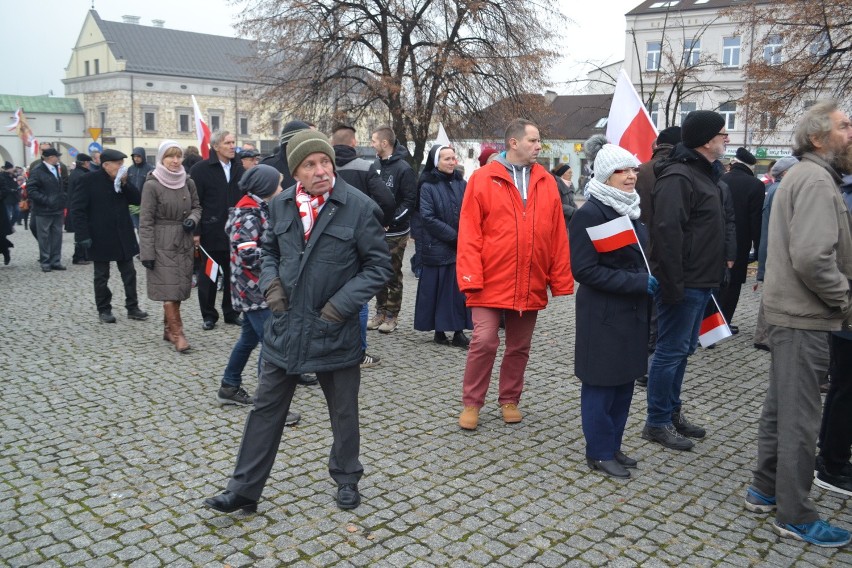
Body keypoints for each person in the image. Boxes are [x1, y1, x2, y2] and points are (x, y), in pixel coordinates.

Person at [203, 130, 392, 514]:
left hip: (332, 328)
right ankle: (243, 490)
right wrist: (271, 286)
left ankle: (347, 478)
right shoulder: (282, 205)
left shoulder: (359, 206)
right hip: (285, 327)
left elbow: (378, 268)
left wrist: (339, 307)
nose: (320, 170)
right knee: (265, 410)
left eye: (325, 162)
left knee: (343, 412)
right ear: (295, 172)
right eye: (310, 165)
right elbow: (269, 249)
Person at [746, 100, 852, 548]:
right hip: (805, 317)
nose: (851, 133)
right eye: (845, 126)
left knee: (780, 406)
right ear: (817, 137)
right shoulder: (814, 181)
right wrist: (844, 298)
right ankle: (795, 514)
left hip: (793, 313)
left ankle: (764, 488)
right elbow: (812, 257)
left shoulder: (808, 177)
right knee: (800, 419)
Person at [456, 119, 574, 430]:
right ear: (513, 142)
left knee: (519, 346)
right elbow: (469, 232)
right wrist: (470, 277)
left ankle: (509, 398)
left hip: (530, 279)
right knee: (484, 341)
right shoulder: (482, 179)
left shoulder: (547, 182)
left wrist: (559, 279)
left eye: (539, 141)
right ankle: (472, 402)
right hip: (489, 279)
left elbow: (557, 234)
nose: (539, 146)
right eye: (534, 140)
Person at [644, 110, 728, 451]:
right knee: (669, 351)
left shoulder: (703, 174)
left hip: (701, 281)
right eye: (723, 134)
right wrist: (673, 285)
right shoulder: (679, 176)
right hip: (684, 283)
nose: (727, 138)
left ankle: (671, 412)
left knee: (683, 350)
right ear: (707, 140)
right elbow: (667, 234)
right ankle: (657, 421)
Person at [569, 143, 653, 479]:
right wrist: (638, 283)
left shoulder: (629, 210)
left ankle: (614, 445)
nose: (631, 175)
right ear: (605, 175)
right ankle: (599, 452)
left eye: (633, 169)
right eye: (622, 170)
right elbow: (585, 271)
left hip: (631, 312)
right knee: (601, 385)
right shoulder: (591, 213)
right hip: (603, 315)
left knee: (624, 384)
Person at [216, 165, 302, 428]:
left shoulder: (257, 208)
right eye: (277, 184)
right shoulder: (248, 214)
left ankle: (229, 386)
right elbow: (248, 254)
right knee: (273, 345)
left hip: (254, 290)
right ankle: (271, 406)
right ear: (265, 188)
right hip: (254, 291)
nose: (280, 188)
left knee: (248, 339)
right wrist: (281, 264)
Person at [332, 123, 395, 367]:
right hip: (358, 239)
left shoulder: (322, 168)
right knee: (358, 298)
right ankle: (358, 353)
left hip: (327, 240)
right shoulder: (364, 167)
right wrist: (382, 223)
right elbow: (387, 201)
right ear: (353, 143)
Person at [71, 149, 148, 324]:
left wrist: (126, 184)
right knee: (101, 275)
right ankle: (104, 309)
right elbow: (77, 209)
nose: (122, 167)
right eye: (118, 164)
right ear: (106, 165)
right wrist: (82, 235)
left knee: (129, 272)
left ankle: (132, 307)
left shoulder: (121, 180)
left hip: (123, 234)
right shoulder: (88, 180)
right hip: (100, 235)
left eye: (122, 163)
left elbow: (137, 199)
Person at [139, 140, 202, 351]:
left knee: (180, 288)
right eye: (170, 156)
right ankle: (178, 334)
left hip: (183, 240)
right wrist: (146, 252)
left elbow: (197, 206)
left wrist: (193, 219)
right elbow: (145, 221)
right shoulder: (152, 184)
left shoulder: (188, 181)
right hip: (161, 242)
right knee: (170, 291)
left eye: (178, 156)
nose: (175, 161)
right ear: (161, 159)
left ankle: (168, 329)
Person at [414, 144, 472, 348]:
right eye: (447, 159)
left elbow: (469, 209)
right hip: (437, 246)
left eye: (453, 158)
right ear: (436, 162)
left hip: (459, 247)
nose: (452, 162)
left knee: (457, 292)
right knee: (437, 291)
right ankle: (439, 331)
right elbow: (428, 218)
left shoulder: (461, 183)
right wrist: (455, 236)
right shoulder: (427, 185)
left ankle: (458, 331)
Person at [190, 131, 244, 330]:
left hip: (235, 232)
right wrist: (196, 231)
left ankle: (231, 312)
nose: (232, 146)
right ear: (215, 146)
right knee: (209, 275)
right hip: (210, 232)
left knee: (233, 275)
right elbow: (195, 203)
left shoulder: (239, 168)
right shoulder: (200, 170)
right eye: (227, 143)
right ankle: (209, 315)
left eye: (233, 142)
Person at [368, 125, 417, 333]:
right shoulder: (374, 165)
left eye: (373, 141)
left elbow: (409, 200)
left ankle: (392, 315)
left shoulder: (403, 168)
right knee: (377, 272)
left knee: (392, 274)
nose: (371, 144)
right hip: (376, 230)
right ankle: (380, 311)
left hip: (396, 232)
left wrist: (392, 220)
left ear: (384, 143)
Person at [753, 156, 799, 351]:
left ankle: (764, 335)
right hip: (776, 251)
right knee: (772, 295)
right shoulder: (781, 190)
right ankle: (764, 336)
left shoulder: (775, 189)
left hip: (772, 250)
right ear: (787, 173)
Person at [718, 147, 765, 332]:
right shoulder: (755, 185)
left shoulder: (720, 179)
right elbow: (756, 221)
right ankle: (725, 322)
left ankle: (711, 323)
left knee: (716, 282)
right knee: (735, 282)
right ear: (751, 167)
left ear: (733, 163)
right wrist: (759, 247)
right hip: (741, 242)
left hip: (717, 238)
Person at [27, 148, 68, 272]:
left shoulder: (56, 169)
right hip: (43, 210)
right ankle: (45, 261)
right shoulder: (37, 171)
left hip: (57, 209)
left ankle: (55, 260)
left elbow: (62, 186)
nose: (58, 159)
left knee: (57, 236)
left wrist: (63, 198)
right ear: (50, 158)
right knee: (44, 237)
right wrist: (46, 200)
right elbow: (31, 190)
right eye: (57, 156)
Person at [66, 154, 94, 266]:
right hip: (80, 207)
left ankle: (85, 255)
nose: (89, 165)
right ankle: (79, 256)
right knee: (81, 232)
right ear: (85, 163)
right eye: (89, 163)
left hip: (75, 206)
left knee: (81, 231)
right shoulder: (81, 175)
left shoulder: (76, 173)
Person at [127, 147, 154, 232]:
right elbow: (127, 184)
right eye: (134, 156)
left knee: (144, 227)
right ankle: (140, 244)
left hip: (145, 201)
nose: (136, 159)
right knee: (137, 227)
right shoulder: (130, 169)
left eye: (138, 156)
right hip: (133, 203)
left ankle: (143, 244)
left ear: (143, 156)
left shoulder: (149, 169)